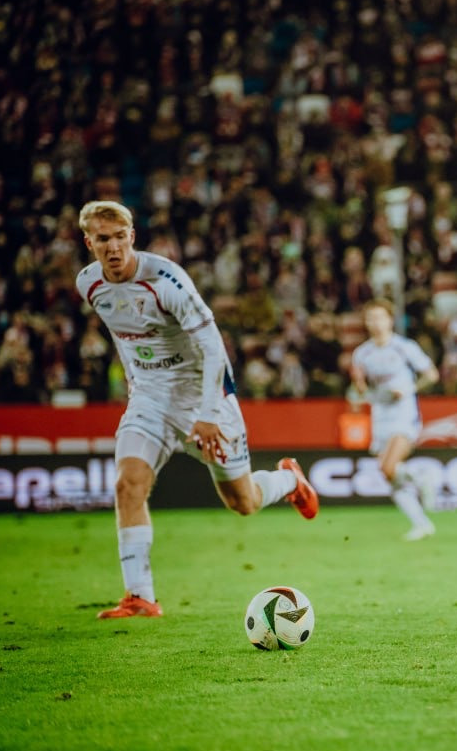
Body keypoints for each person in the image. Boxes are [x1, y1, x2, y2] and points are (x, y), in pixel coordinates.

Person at [75, 201, 319, 620]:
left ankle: (289, 480)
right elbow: (125, 334)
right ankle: (140, 596)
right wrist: (137, 381)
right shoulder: (89, 283)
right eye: (103, 239)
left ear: (132, 236)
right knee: (128, 485)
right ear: (89, 242)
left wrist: (207, 414)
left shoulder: (166, 281)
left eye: (119, 237)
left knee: (243, 502)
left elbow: (213, 349)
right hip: (149, 399)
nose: (113, 247)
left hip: (203, 398)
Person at [349, 298, 441, 541]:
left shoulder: (404, 347)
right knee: (388, 475)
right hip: (380, 415)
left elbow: (432, 374)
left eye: (380, 317)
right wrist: (360, 388)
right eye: (371, 318)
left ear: (390, 320)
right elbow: (361, 389)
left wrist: (408, 389)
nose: (376, 323)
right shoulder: (361, 354)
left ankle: (421, 479)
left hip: (404, 413)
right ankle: (422, 523)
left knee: (388, 467)